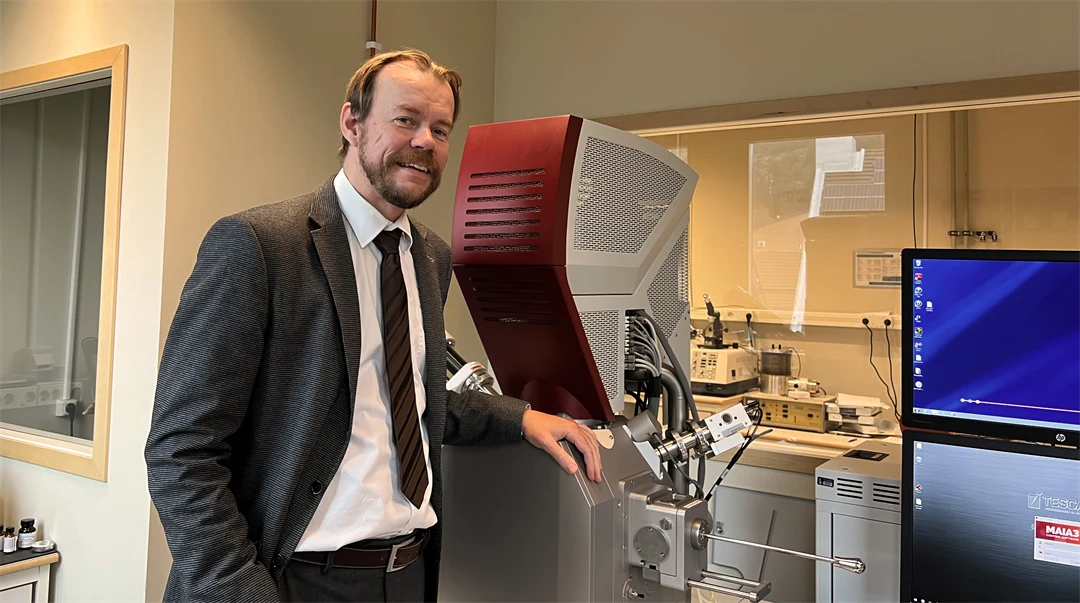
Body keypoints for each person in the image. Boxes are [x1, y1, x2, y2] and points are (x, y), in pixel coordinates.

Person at [144, 48, 603, 603]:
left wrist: (522, 419)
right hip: (290, 576)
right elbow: (181, 450)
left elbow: (409, 397)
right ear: (351, 122)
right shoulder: (260, 246)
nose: (425, 142)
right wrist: (241, 591)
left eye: (440, 128)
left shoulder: (430, 257)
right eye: (405, 120)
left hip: (408, 572)